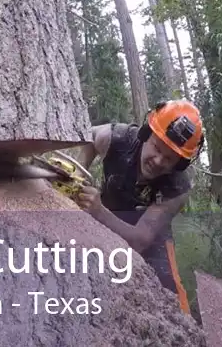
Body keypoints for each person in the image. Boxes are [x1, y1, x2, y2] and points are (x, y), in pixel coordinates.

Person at [73, 99, 205, 315]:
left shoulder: (178, 186)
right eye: (157, 147)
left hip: (150, 234)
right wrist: (79, 173)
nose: (159, 161)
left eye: (169, 158)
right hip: (108, 213)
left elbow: (141, 240)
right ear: (145, 134)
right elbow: (90, 137)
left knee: (171, 294)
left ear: (180, 164)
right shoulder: (118, 138)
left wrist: (98, 212)